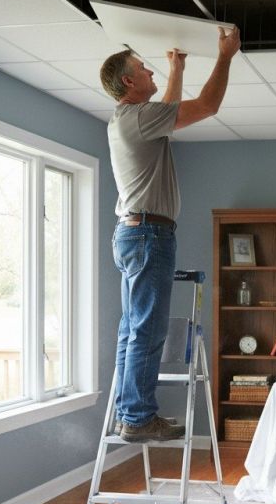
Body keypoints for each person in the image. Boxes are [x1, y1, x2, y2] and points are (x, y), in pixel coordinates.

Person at [100, 26, 241, 442]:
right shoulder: (140, 118)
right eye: (145, 70)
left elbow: (169, 108)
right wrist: (225, 56)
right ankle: (138, 418)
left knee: (133, 328)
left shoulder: (131, 119)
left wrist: (176, 68)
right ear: (128, 81)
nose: (152, 74)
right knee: (148, 329)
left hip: (132, 235)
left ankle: (130, 414)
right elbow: (209, 105)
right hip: (149, 236)